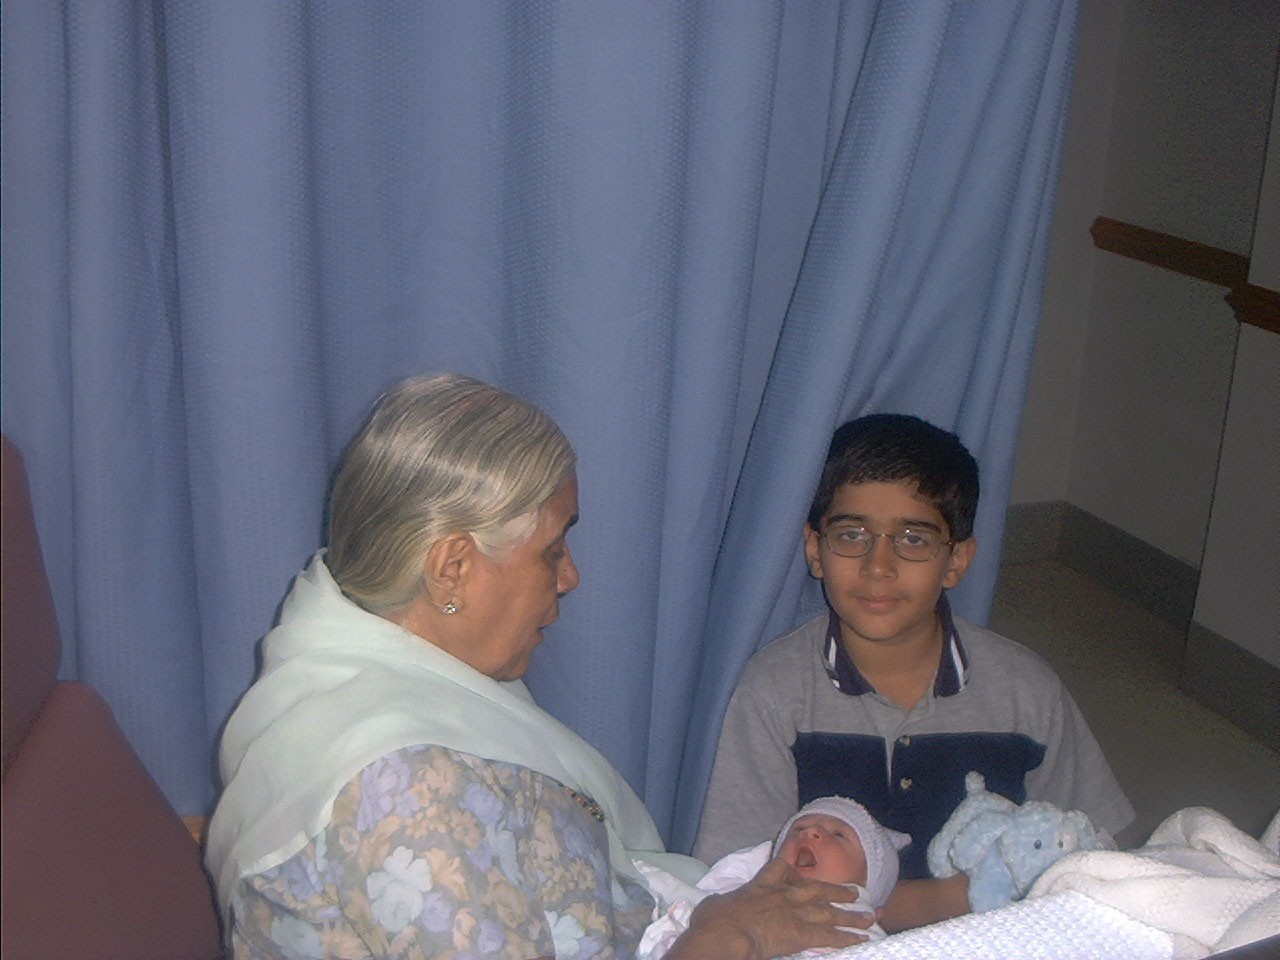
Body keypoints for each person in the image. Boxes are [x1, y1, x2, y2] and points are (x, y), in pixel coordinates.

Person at [205, 373, 872, 960]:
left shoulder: (406, 694)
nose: (571, 576)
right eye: (552, 550)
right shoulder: (405, 794)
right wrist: (727, 938)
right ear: (453, 568)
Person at [693, 413, 1134, 930]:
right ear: (815, 550)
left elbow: (1099, 856)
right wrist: (951, 899)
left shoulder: (1027, 693)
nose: (878, 566)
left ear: (957, 561)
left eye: (915, 539)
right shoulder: (774, 693)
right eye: (852, 534)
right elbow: (740, 889)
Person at [637, 796, 909, 959]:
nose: (810, 832)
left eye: (839, 835)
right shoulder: (731, 906)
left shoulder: (863, 929)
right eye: (798, 829)